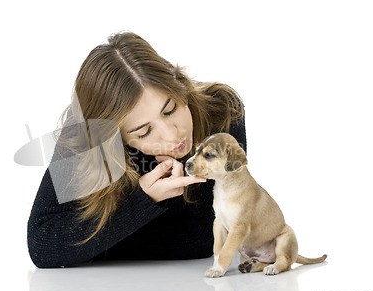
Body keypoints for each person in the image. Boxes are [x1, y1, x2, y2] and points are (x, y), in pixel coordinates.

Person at [27, 31, 246, 268]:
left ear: (179, 85)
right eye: (144, 132)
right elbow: (42, 244)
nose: (172, 135)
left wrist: (91, 246)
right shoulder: (85, 135)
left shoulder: (221, 110)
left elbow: (205, 237)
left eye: (170, 109)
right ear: (116, 140)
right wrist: (142, 201)